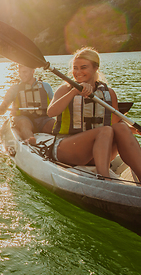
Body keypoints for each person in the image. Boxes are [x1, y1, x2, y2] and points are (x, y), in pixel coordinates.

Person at [47, 47, 141, 180]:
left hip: (99, 152)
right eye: (75, 68)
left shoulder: (108, 93)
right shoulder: (65, 90)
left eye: (83, 67)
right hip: (68, 150)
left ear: (95, 68)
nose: (78, 72)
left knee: (121, 127)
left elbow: (116, 122)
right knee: (105, 131)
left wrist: (135, 131)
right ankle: (105, 179)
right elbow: (51, 112)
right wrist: (74, 92)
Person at [0, 64, 55, 145]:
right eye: (20, 72)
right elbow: (4, 104)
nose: (21, 75)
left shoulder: (45, 86)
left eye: (24, 72)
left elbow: (54, 105)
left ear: (33, 71)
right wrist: (2, 108)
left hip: (43, 119)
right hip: (23, 118)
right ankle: (32, 142)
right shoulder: (14, 89)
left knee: (54, 125)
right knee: (24, 124)